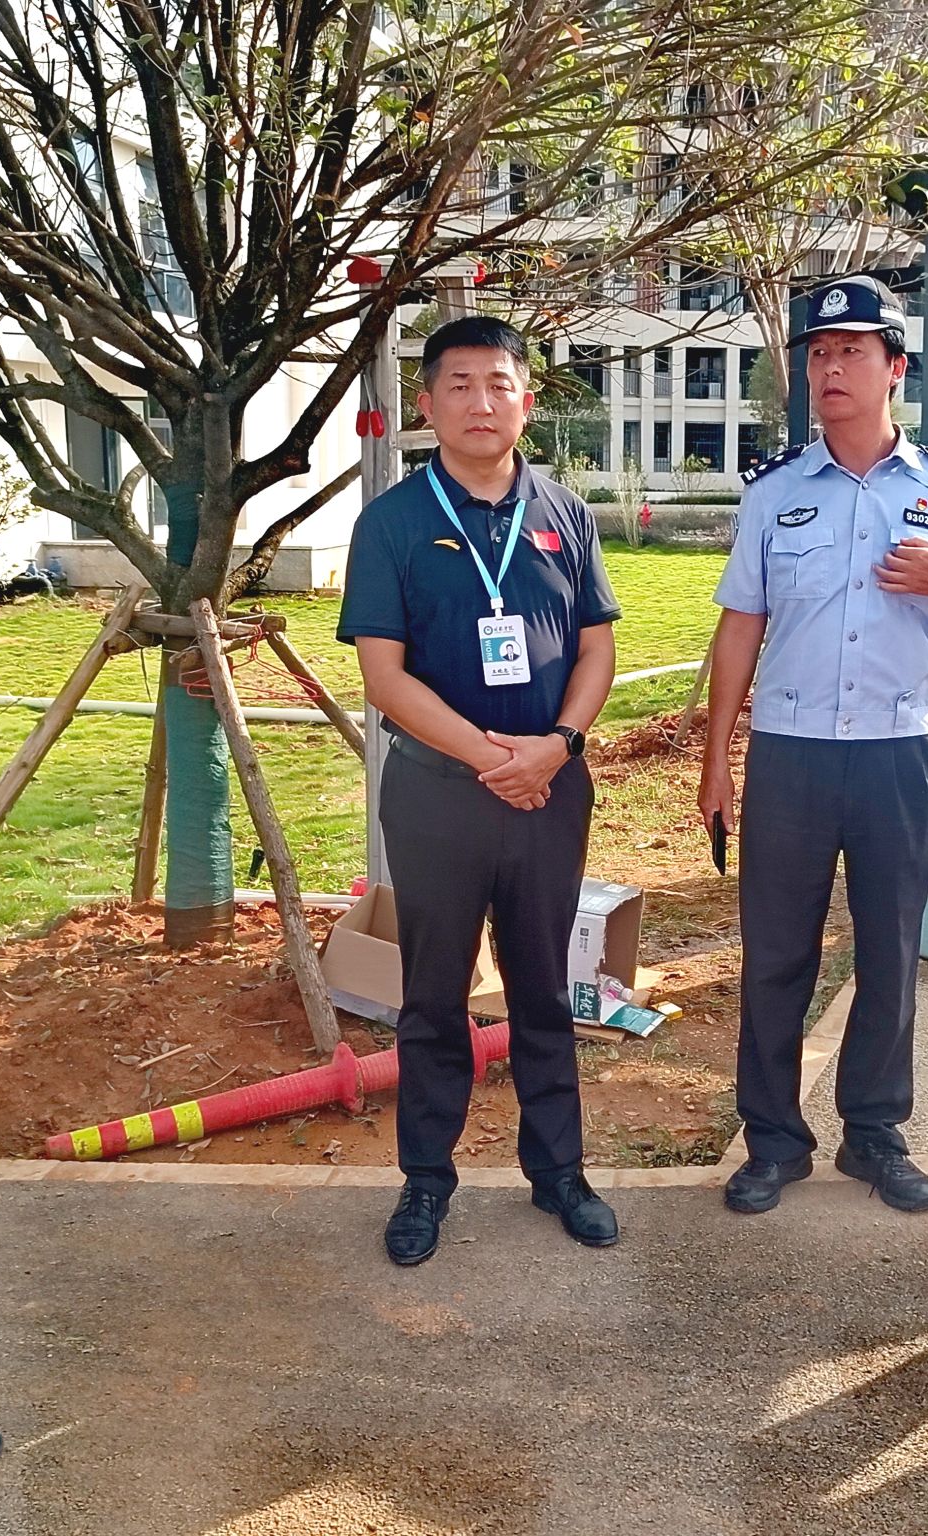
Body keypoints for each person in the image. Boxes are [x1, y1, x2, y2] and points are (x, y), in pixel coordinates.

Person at [699, 275, 928, 1216]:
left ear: (894, 368)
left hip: (897, 754)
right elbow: (740, 625)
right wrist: (717, 759)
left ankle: (874, 1134)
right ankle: (773, 1140)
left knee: (891, 948)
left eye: (853, 351)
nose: (831, 368)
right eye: (820, 353)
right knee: (775, 953)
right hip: (790, 752)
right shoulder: (775, 493)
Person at [339, 314, 622, 1266]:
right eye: (458, 384)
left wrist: (557, 747)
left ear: (526, 402)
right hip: (437, 799)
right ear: (426, 405)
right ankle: (426, 1179)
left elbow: (596, 648)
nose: (480, 402)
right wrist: (494, 761)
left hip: (550, 790)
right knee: (433, 995)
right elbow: (385, 678)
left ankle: (560, 1172)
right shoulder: (392, 523)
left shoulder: (565, 514)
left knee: (543, 986)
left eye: (499, 383)